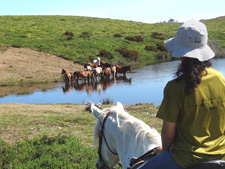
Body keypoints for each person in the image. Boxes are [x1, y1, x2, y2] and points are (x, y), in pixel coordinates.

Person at [138, 20, 225, 169]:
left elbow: (168, 134)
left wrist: (163, 150)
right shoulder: (220, 79)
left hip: (185, 159)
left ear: (181, 55)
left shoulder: (174, 88)